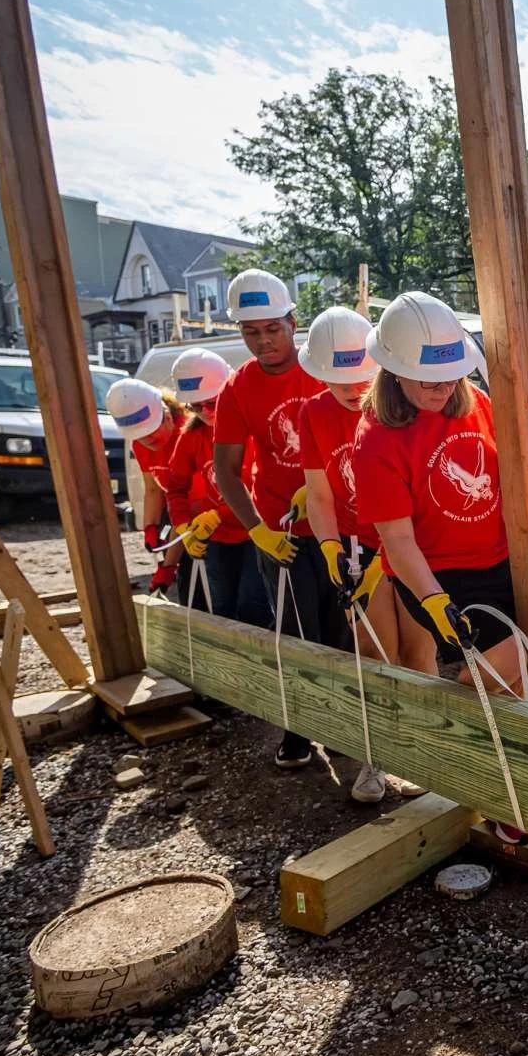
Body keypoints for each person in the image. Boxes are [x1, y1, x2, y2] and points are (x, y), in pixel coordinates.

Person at [352, 290, 528, 835]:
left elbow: (520, 471)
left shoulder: (477, 404)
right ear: (394, 370)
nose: (443, 388)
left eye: (450, 377)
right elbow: (397, 540)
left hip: (500, 559)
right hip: (436, 574)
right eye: (428, 380)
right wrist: (435, 602)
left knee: (520, 665)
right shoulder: (375, 439)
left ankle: (493, 784)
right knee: (497, 666)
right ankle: (496, 791)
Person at [298, 305, 422, 803]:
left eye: (359, 378)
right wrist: (329, 547)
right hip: (357, 548)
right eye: (338, 380)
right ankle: (374, 759)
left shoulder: (400, 407)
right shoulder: (314, 414)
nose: (351, 390)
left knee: (419, 654)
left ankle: (420, 758)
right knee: (373, 653)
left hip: (411, 544)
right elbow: (320, 493)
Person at [212, 268, 331, 769]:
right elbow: (227, 469)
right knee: (291, 632)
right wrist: (257, 529)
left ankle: (346, 726)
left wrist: (321, 482)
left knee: (340, 629)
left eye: (272, 329)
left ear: (292, 321)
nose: (263, 341)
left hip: (335, 525)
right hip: (279, 531)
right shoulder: (238, 387)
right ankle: (299, 727)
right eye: (251, 332)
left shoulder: (323, 368)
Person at [166, 349, 271, 626]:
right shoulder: (190, 437)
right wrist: (183, 527)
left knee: (253, 606)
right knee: (220, 606)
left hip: (256, 532)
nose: (205, 413)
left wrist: (218, 514)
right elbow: (174, 487)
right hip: (217, 539)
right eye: (195, 407)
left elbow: (257, 486)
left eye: (211, 403)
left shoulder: (249, 429)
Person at [104, 379, 190, 598]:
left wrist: (169, 564)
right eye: (139, 436)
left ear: (167, 416)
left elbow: (188, 508)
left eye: (151, 432)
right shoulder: (141, 444)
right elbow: (152, 489)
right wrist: (150, 527)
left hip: (200, 516)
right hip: (179, 518)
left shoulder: (187, 435)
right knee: (189, 589)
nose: (146, 440)